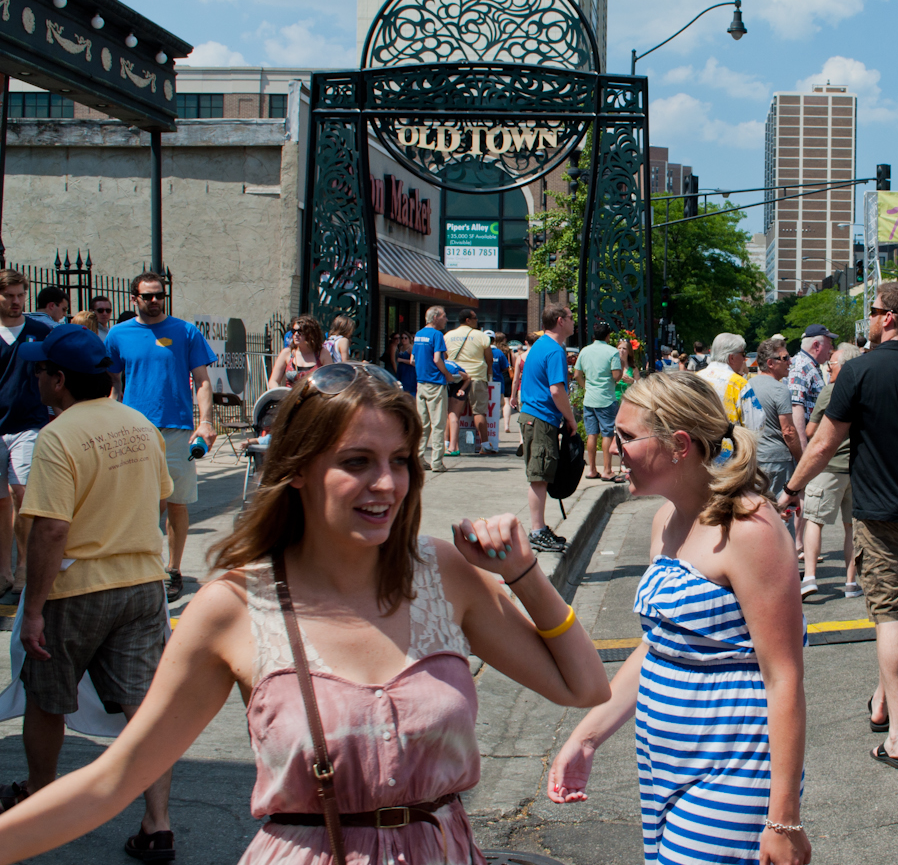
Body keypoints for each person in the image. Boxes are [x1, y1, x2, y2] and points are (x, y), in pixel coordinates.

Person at [0, 360, 610, 865]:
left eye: (399, 461)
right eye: (356, 462)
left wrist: (524, 576)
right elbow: (113, 780)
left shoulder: (442, 573)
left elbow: (583, 686)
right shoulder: (235, 605)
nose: (387, 484)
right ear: (296, 470)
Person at [547, 372, 811, 865]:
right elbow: (658, 645)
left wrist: (784, 818)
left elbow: (784, 677)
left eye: (626, 436)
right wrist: (586, 737)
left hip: (734, 763)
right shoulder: (665, 520)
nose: (612, 445)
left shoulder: (749, 527)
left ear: (679, 445)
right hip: (662, 765)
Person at [0, 324, 178, 856]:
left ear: (58, 380)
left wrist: (32, 609)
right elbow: (162, 500)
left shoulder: (59, 435)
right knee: (144, 709)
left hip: (77, 589)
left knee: (47, 700)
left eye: (39, 371)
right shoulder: (139, 424)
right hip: (144, 585)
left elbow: (51, 528)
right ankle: (158, 824)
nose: (34, 379)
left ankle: (40, 795)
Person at [778, 281, 898, 768]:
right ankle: (882, 702)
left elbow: (821, 445)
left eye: (875, 310)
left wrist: (792, 489)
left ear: (888, 319)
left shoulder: (857, 373)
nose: (871, 317)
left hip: (878, 514)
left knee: (888, 616)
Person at [105, 272, 218, 604]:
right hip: (132, 431)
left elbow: (202, 381)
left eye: (159, 295)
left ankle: (173, 569)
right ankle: (138, 568)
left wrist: (206, 422)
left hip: (177, 430)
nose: (154, 301)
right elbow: (112, 384)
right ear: (134, 299)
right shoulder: (117, 334)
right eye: (148, 296)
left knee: (176, 503)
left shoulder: (185, 332)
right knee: (135, 503)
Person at [0, 271, 54, 599]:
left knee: (22, 493)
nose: (16, 301)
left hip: (28, 425)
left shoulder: (39, 332)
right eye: (9, 295)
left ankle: (23, 566)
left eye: (20, 294)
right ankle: (3, 569)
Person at [800, 342, 862, 599]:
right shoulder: (866, 390)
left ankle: (810, 577)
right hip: (857, 470)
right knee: (853, 528)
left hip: (829, 466)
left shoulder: (831, 391)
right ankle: (851, 583)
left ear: (844, 365)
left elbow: (811, 431)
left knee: (814, 520)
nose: (828, 367)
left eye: (832, 364)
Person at [517, 305, 576, 554]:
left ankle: (539, 529)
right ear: (560, 321)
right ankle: (537, 531)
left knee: (540, 474)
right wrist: (570, 418)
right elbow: (556, 390)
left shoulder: (541, 345)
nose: (574, 322)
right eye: (571, 318)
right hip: (541, 418)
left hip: (535, 416)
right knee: (539, 476)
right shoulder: (554, 350)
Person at [742, 339, 801, 511]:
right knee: (781, 515)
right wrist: (802, 459)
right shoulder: (780, 389)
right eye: (785, 358)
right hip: (777, 462)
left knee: (757, 512)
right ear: (770, 363)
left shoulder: (746, 385)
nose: (790, 362)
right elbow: (788, 431)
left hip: (753, 459)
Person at [412, 306, 462, 473]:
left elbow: (413, 360)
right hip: (436, 383)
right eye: (444, 316)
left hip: (421, 383)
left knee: (423, 424)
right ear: (435, 318)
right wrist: (447, 375)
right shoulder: (437, 335)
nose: (446, 320)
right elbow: (437, 359)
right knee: (438, 424)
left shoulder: (419, 334)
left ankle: (419, 458)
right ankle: (437, 462)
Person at [575, 320, 624, 481]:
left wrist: (586, 387)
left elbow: (577, 375)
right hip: (606, 398)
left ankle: (592, 470)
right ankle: (607, 470)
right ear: (608, 336)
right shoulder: (612, 352)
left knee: (591, 434)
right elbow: (617, 375)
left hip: (589, 398)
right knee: (607, 434)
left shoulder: (584, 351)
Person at [444, 309, 497, 454]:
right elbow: (489, 358)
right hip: (476, 377)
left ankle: (448, 444)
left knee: (453, 413)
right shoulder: (480, 336)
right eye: (475, 318)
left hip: (456, 378)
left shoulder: (448, 336)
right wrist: (489, 373)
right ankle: (485, 445)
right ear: (468, 320)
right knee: (479, 412)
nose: (477, 320)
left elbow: (445, 356)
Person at [787, 325, 835, 459]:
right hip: (806, 446)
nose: (831, 348)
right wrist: (804, 453)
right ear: (816, 345)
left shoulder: (810, 365)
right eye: (829, 343)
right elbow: (796, 408)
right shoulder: (801, 367)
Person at [699, 332, 749, 423]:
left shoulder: (694, 379)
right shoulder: (740, 384)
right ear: (732, 358)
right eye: (743, 354)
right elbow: (756, 426)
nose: (744, 359)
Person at [270, 316, 330, 389]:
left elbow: (330, 381)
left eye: (300, 331)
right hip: (290, 398)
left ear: (311, 334)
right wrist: (280, 395)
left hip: (313, 398)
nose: (296, 334)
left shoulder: (322, 353)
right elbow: (273, 381)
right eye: (293, 331)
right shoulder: (287, 353)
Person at [492, 333, 513, 434]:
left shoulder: (491, 351)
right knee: (507, 401)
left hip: (495, 376)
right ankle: (506, 425)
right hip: (506, 376)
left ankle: (493, 423)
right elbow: (511, 364)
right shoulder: (507, 351)